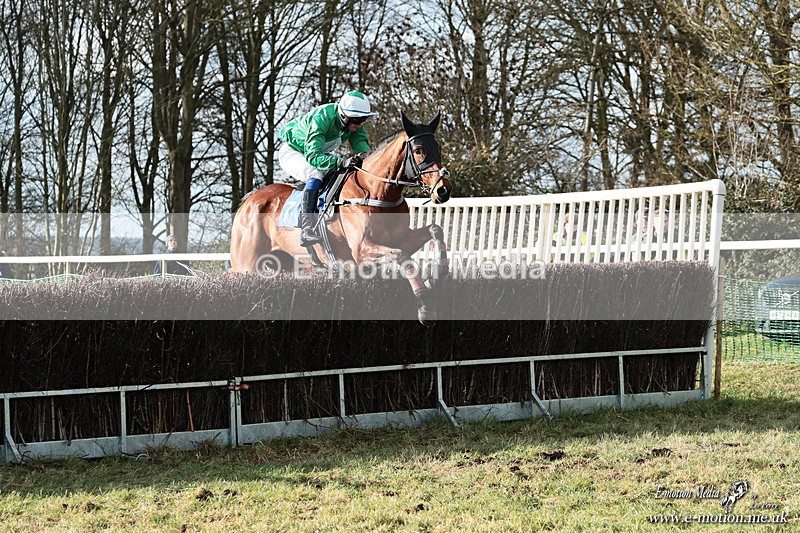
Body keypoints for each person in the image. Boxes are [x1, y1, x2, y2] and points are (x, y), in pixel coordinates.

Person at [277, 90, 374, 245]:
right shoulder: (322, 118)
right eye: (357, 120)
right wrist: (340, 162)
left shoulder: (354, 124)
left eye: (364, 119)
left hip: (318, 152)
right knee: (314, 174)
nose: (360, 123)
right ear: (343, 115)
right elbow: (313, 156)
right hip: (294, 151)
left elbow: (362, 149)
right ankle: (307, 227)